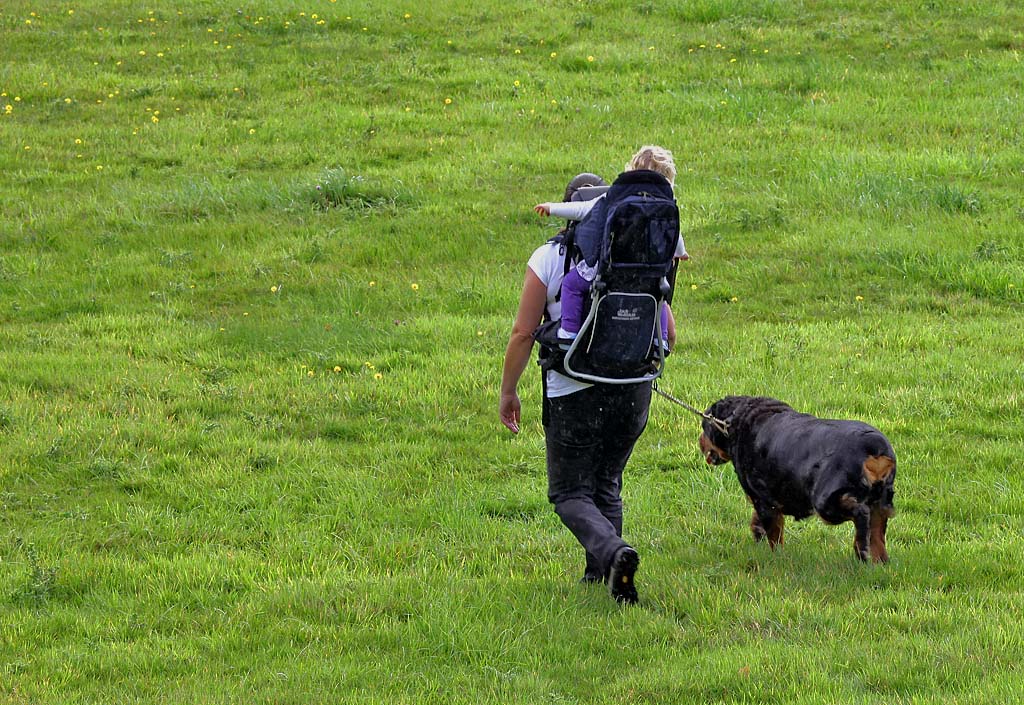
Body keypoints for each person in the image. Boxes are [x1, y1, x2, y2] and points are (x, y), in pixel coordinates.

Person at [500, 147, 682, 605]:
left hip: (572, 385)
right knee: (607, 482)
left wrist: (508, 390)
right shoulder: (639, 259)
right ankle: (604, 577)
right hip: (633, 387)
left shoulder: (548, 257)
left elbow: (523, 332)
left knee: (568, 492)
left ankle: (614, 552)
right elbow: (671, 333)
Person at [534, 145, 687, 345]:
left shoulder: (614, 198)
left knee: (571, 283)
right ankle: (661, 340)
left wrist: (552, 208)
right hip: (648, 276)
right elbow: (674, 236)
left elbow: (582, 209)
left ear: (630, 171)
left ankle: (569, 331)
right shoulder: (666, 208)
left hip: (610, 272)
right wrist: (681, 253)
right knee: (658, 296)